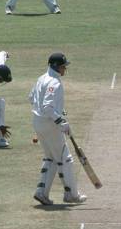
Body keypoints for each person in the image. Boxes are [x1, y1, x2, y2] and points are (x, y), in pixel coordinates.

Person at [28, 53, 86, 205]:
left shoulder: (41, 78)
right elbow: (47, 107)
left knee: (51, 158)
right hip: (50, 125)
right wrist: (61, 121)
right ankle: (72, 195)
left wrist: (58, 111)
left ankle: (41, 192)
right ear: (56, 66)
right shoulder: (54, 83)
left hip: (38, 122)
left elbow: (31, 98)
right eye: (63, 66)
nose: (65, 69)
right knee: (65, 159)